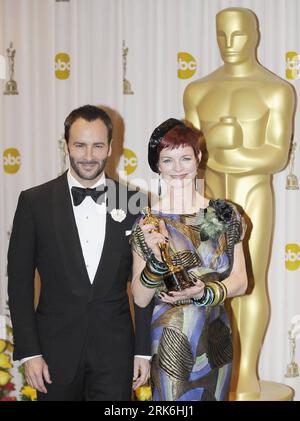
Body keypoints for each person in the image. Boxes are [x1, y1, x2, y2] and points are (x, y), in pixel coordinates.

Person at [183, 7, 295, 400]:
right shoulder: (198, 90)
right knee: (211, 282)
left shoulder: (276, 90)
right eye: (222, 36)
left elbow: (276, 156)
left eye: (238, 36)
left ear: (255, 35)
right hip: (211, 196)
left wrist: (224, 145)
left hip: (252, 195)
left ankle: (245, 371)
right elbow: (190, 156)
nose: (230, 45)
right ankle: (218, 367)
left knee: (249, 283)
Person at [7, 105, 152, 401]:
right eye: (80, 145)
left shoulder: (136, 202)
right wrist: (29, 351)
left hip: (115, 353)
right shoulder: (34, 202)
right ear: (66, 146)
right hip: (52, 354)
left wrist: (143, 350)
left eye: (98, 145)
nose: (88, 155)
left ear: (111, 147)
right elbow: (19, 283)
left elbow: (145, 282)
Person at [130, 118, 248, 401]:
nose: (178, 168)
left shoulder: (223, 214)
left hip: (216, 338)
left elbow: (242, 282)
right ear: (158, 166)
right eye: (168, 160)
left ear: (198, 158)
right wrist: (156, 263)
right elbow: (140, 297)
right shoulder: (148, 222)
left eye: (185, 157)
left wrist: (206, 292)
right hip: (171, 339)